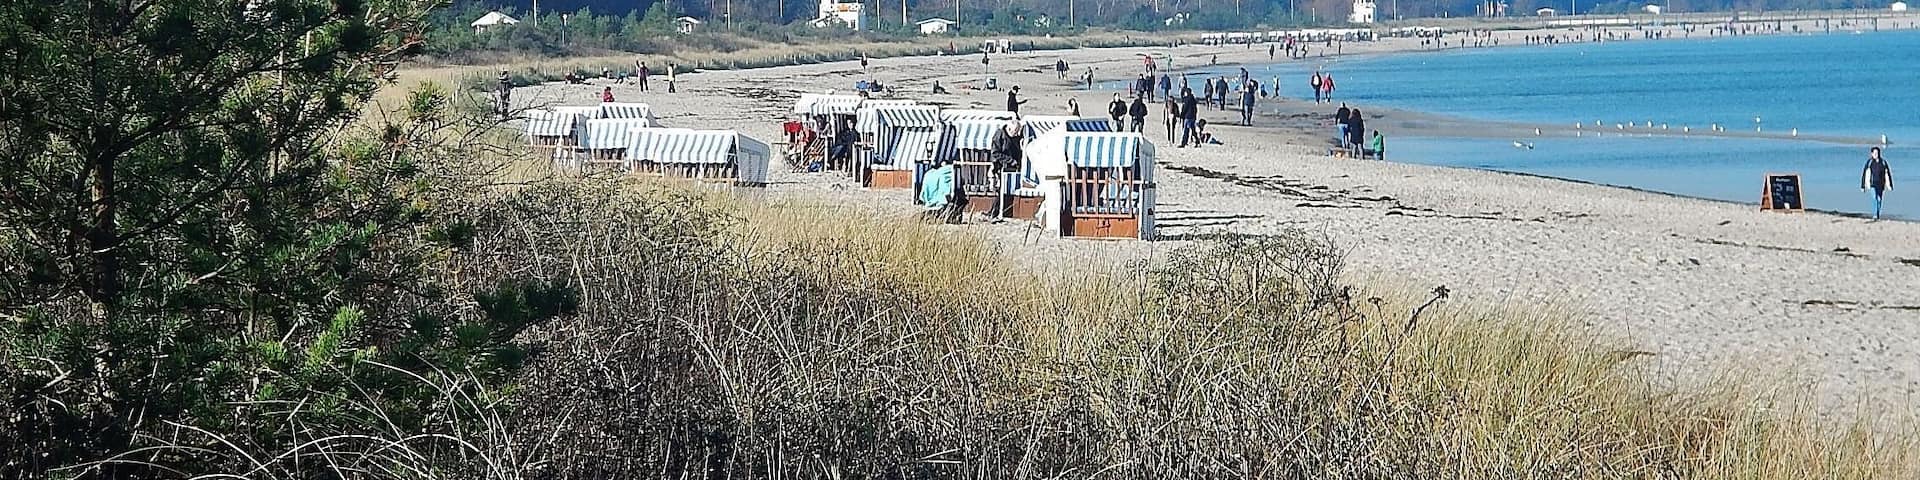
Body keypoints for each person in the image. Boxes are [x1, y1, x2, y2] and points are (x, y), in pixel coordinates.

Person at [1863, 146, 1896, 220]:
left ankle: (1877, 214)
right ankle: (1875, 214)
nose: (1876, 154)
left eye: (1877, 153)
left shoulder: (1883, 162)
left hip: (1881, 184)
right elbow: (1865, 174)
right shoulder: (1869, 162)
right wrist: (1863, 186)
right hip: (1872, 184)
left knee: (1879, 199)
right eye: (1874, 153)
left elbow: (1887, 174)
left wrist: (1890, 185)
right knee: (1875, 198)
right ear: (1871, 154)